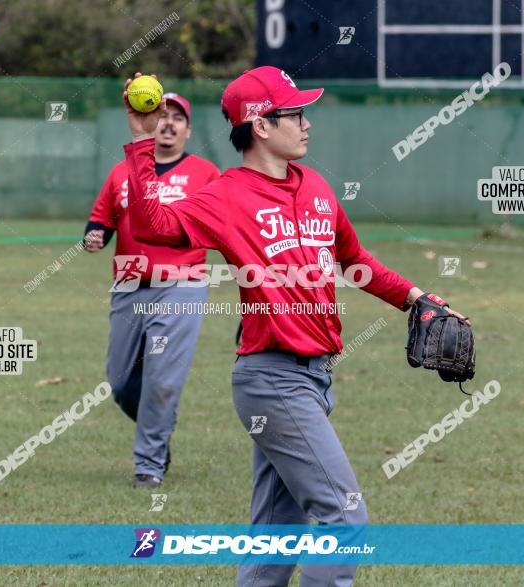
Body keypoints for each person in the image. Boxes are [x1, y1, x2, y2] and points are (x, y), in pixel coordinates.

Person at [120, 68, 469, 585]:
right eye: (295, 113)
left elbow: (355, 261)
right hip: (271, 379)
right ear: (260, 125)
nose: (306, 123)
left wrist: (419, 298)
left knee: (274, 540)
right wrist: (143, 145)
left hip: (314, 379)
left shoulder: (316, 187)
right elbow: (154, 226)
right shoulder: (226, 194)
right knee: (345, 520)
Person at [84, 92, 220, 489]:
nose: (169, 122)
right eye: (163, 115)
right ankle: (158, 431)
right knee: (122, 382)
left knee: (162, 381)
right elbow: (102, 218)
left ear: (188, 130)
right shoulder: (121, 172)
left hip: (181, 282)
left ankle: (149, 464)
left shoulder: (205, 174)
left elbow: (222, 220)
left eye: (178, 118)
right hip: (128, 280)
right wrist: (95, 236)